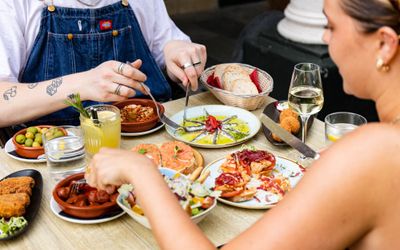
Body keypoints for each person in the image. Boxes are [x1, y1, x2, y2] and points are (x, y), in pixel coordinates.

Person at [86, 0, 400, 248]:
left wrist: (142, 173)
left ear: (385, 44)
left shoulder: (372, 151)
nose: (324, 38)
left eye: (331, 26)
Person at [0, 0, 206, 128]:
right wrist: (81, 85)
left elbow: (165, 48)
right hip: (57, 151)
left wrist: (175, 50)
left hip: (151, 136)